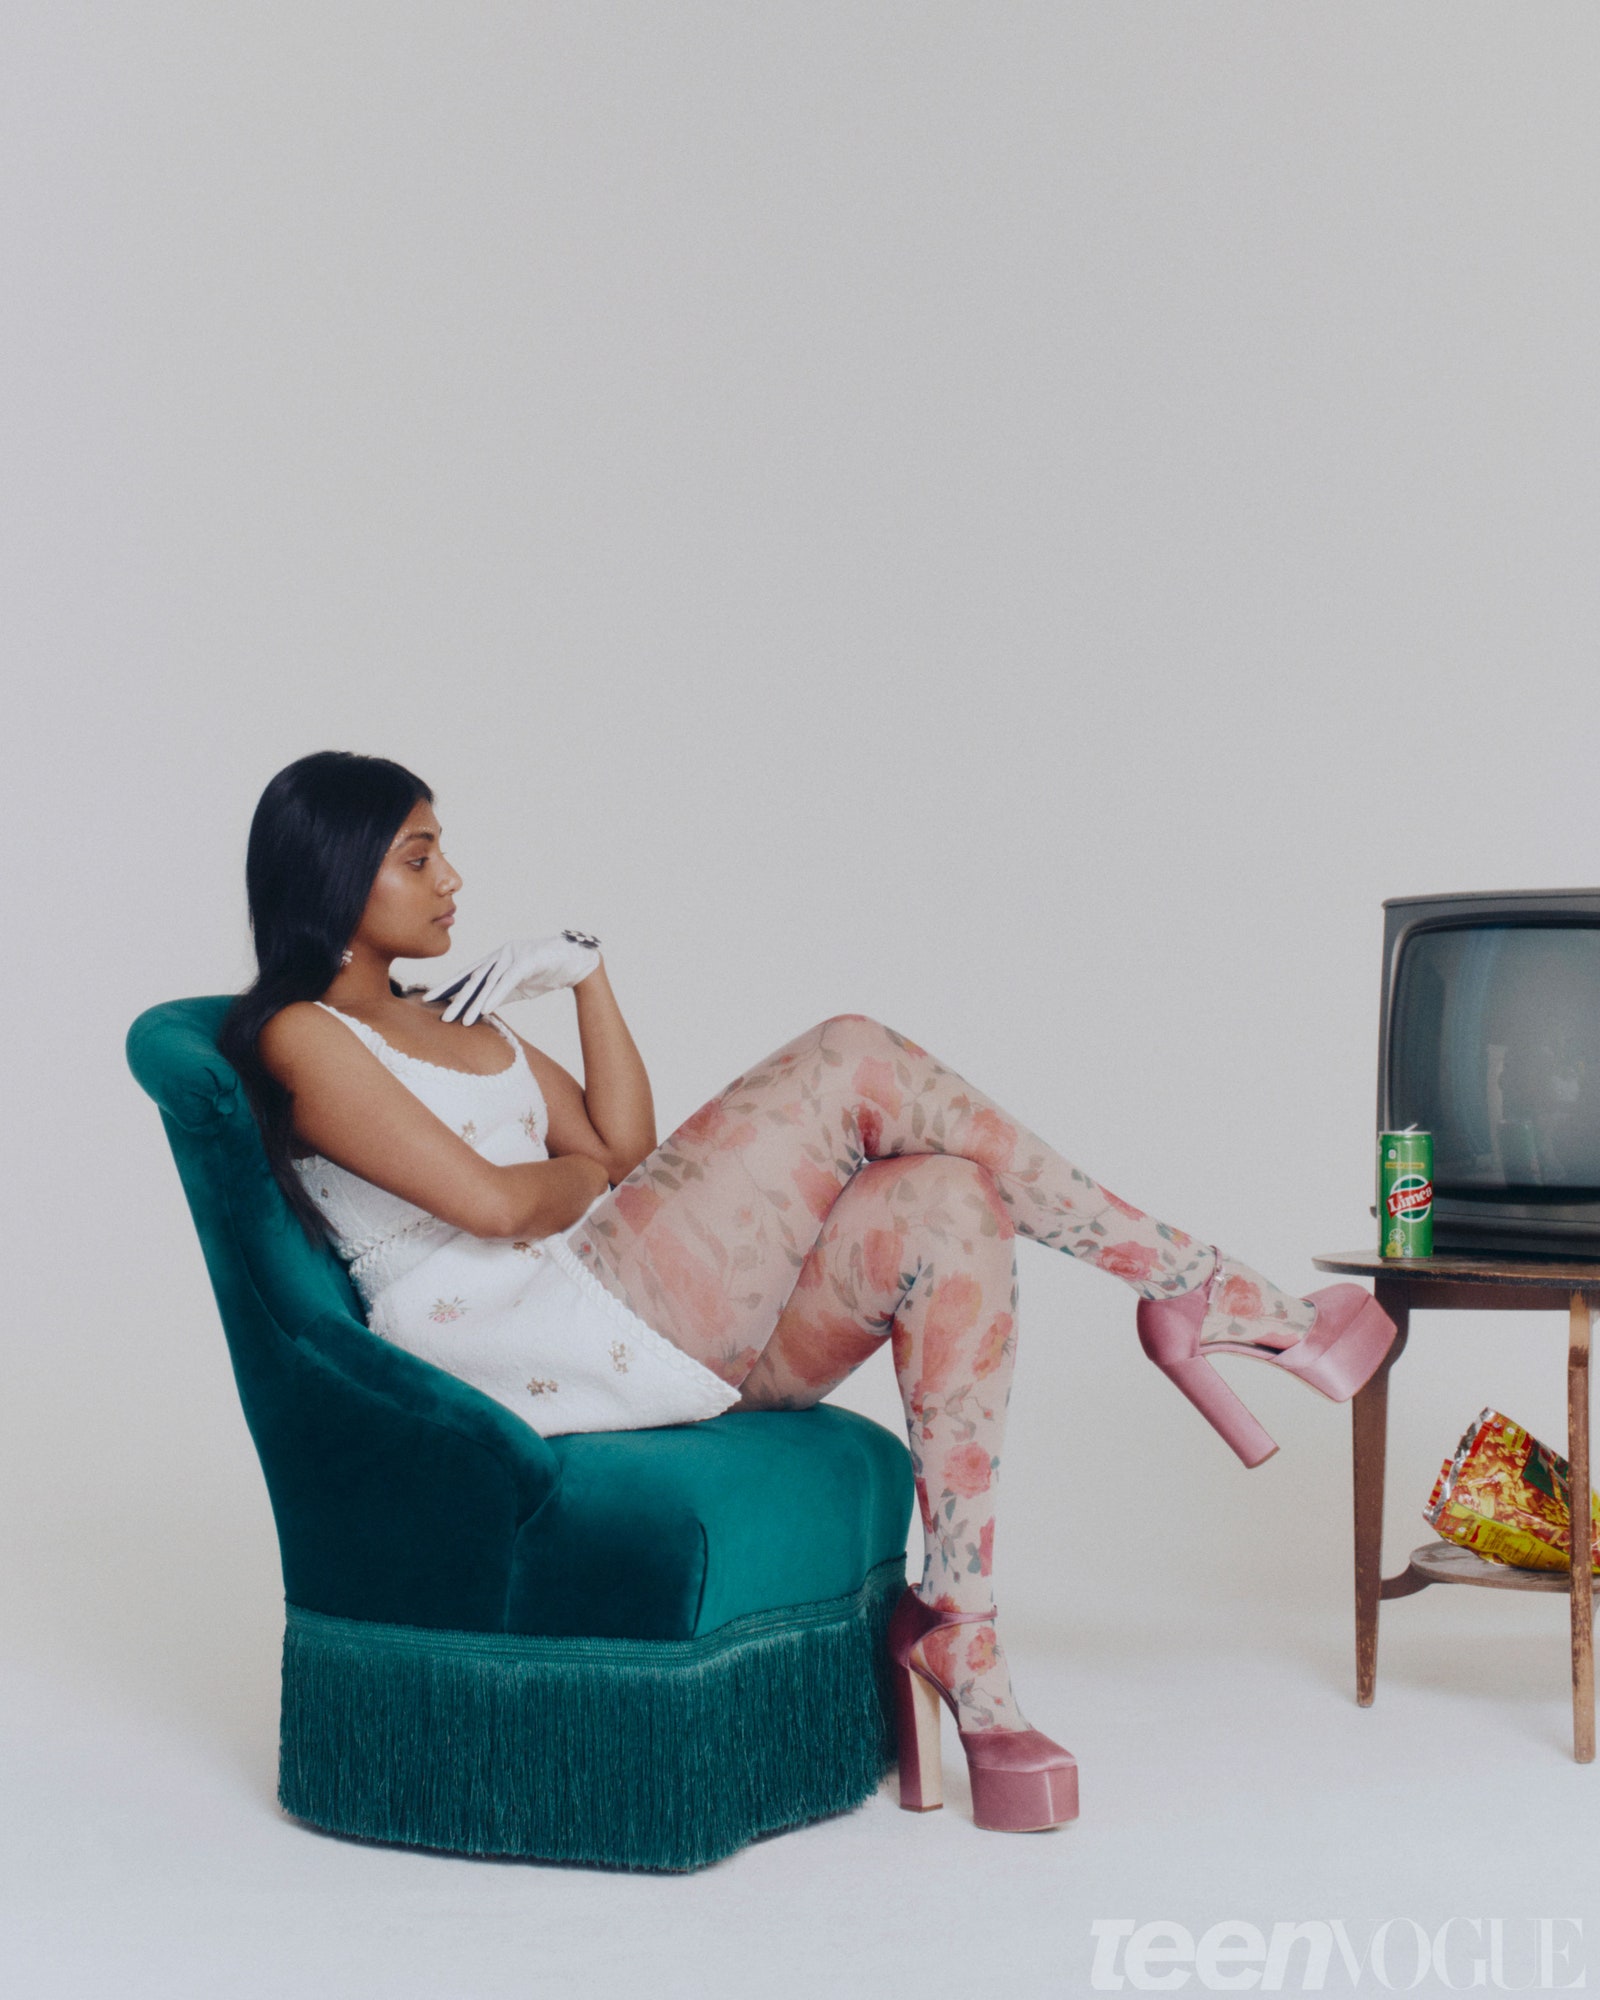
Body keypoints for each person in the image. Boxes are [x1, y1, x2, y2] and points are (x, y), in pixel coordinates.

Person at [223, 750, 1398, 1836]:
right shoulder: (301, 1036)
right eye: (417, 855)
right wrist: (577, 1179)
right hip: (526, 1343)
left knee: (945, 1199)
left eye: (445, 849)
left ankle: (965, 1635)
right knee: (852, 1053)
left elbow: (619, 1143)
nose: (454, 878)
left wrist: (582, 974)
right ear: (333, 870)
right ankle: (1214, 1294)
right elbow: (492, 1203)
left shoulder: (454, 1020)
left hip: (617, 1307)